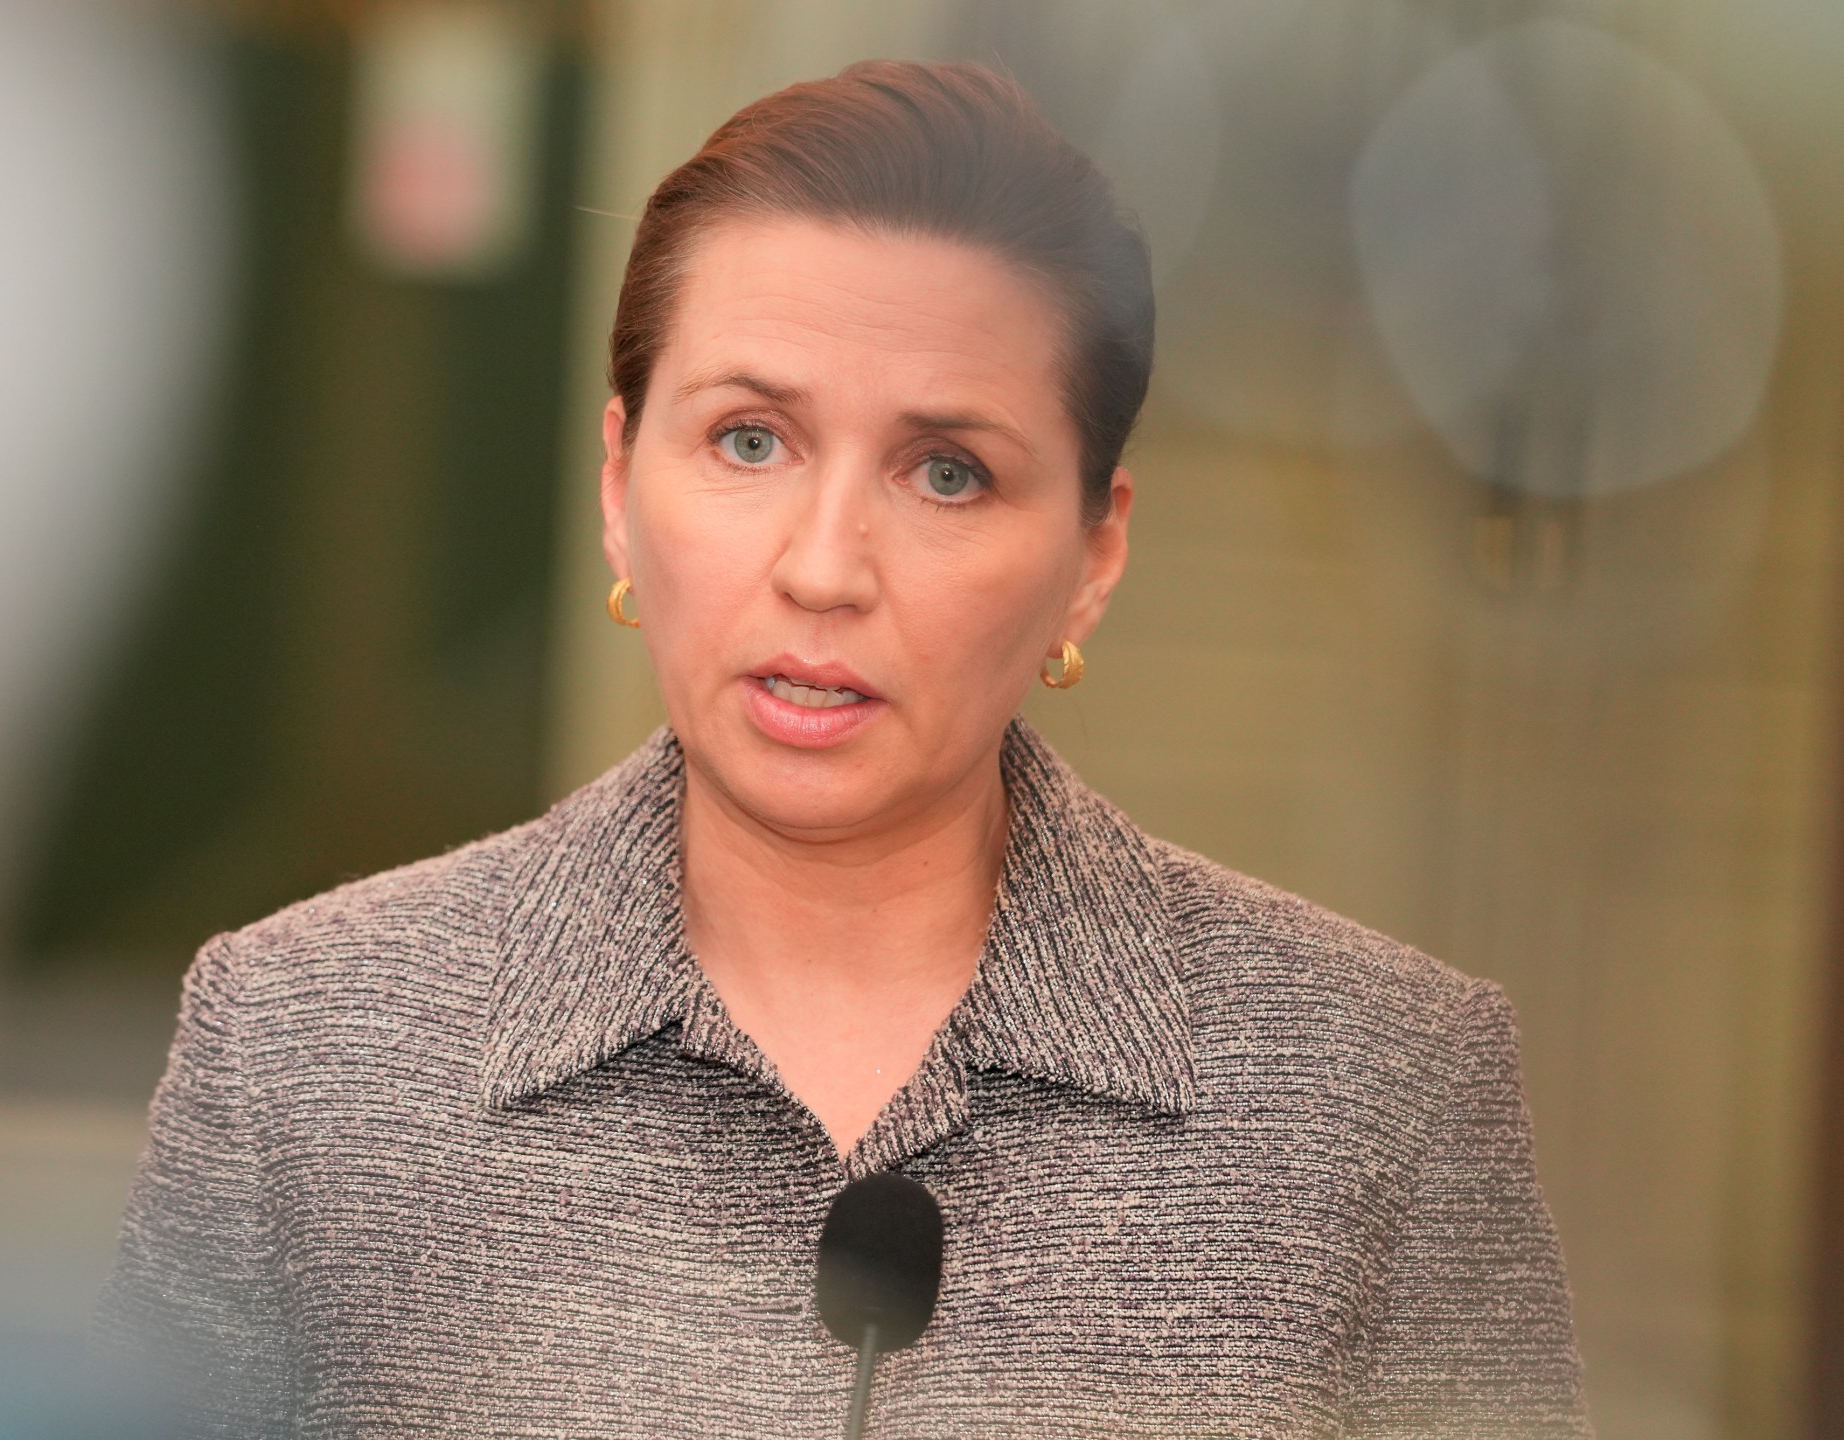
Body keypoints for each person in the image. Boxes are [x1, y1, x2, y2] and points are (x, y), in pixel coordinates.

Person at [100, 59, 1586, 1437]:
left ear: (1092, 552)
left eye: (948, 473)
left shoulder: (1384, 1094)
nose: (824, 567)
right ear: (620, 482)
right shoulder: (301, 1049)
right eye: (750, 440)